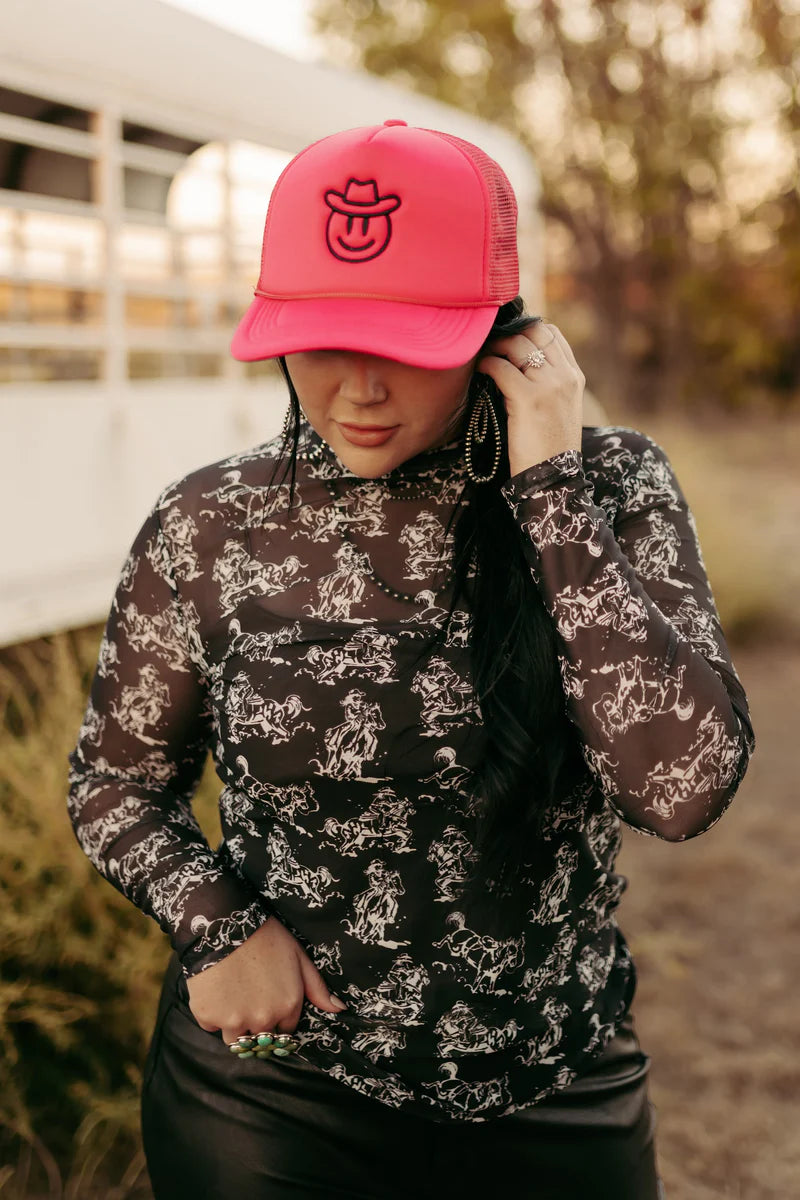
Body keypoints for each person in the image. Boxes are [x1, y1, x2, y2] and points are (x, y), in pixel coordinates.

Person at [66, 120, 755, 1200]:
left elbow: (678, 789)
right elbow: (114, 783)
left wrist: (549, 496)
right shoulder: (213, 522)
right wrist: (217, 927)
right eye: (320, 337)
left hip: (557, 1087)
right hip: (272, 1099)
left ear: (500, 335)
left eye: (404, 344)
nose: (357, 390)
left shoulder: (609, 489)